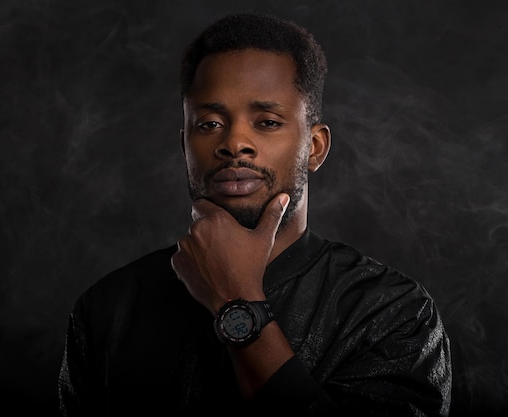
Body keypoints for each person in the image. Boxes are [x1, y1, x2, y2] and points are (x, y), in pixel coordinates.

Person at [57, 12, 452, 417]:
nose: (235, 142)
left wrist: (237, 302)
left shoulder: (391, 313)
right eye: (209, 123)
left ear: (314, 147)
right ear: (185, 145)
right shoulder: (107, 309)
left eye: (267, 122)